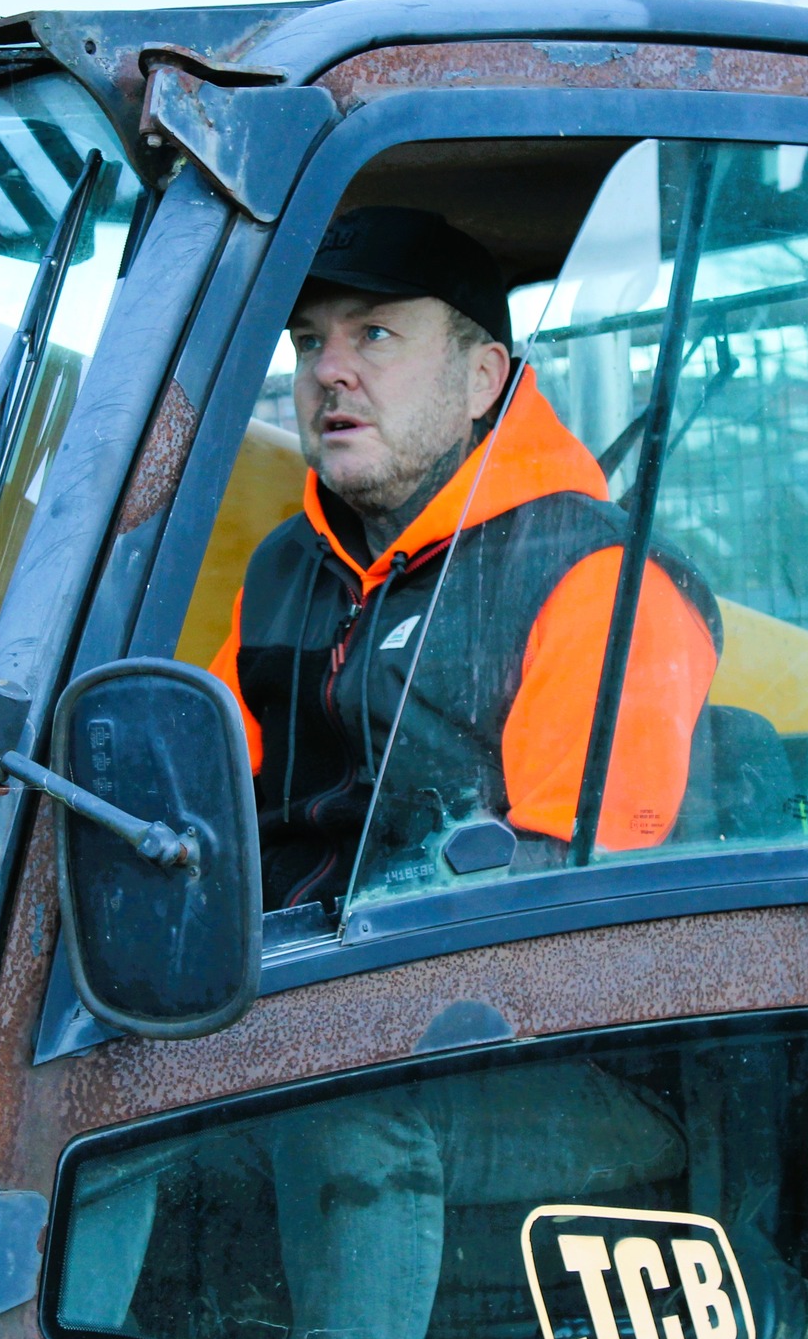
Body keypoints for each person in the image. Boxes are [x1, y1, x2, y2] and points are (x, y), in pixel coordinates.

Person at [209, 205, 721, 911]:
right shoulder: (285, 566)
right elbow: (196, 793)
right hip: (252, 971)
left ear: (482, 378)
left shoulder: (598, 578)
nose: (328, 370)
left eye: (374, 334)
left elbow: (567, 904)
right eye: (306, 341)